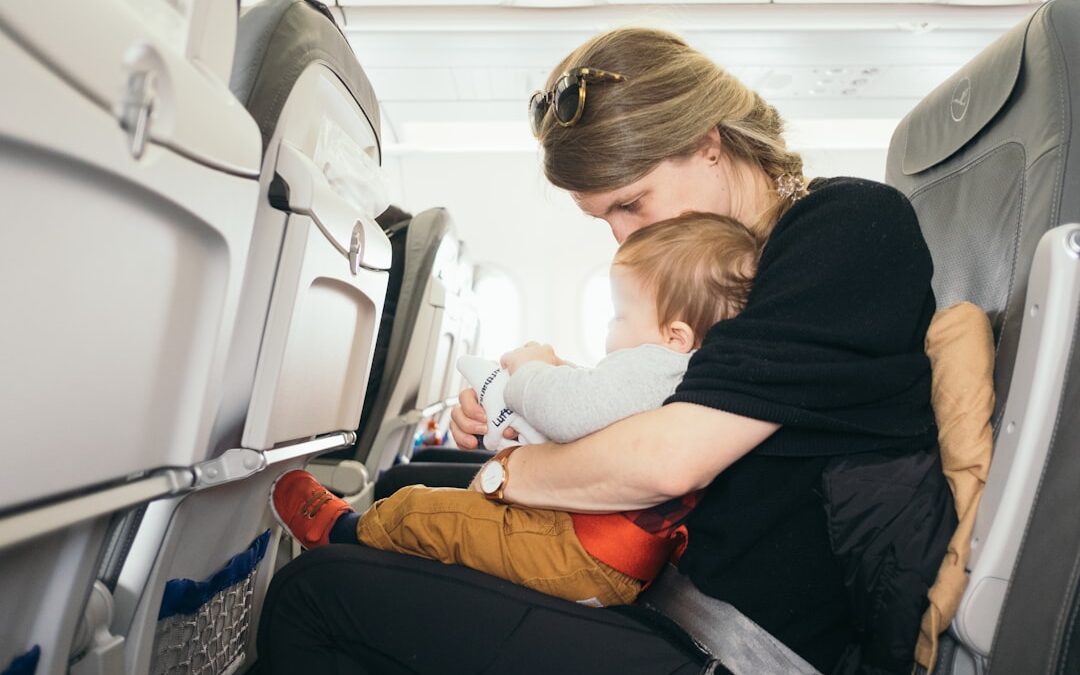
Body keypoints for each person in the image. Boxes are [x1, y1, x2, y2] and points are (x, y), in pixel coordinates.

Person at [256, 27, 955, 675]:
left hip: (731, 645)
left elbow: (666, 459)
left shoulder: (847, 230)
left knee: (313, 596)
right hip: (657, 593)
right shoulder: (722, 265)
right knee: (409, 496)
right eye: (604, 218)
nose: (622, 237)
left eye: (631, 203)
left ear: (709, 143)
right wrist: (523, 405)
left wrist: (510, 472)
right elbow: (662, 398)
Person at [270, 213, 761, 608]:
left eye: (619, 316)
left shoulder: (658, 364)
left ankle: (342, 534)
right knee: (459, 517)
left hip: (581, 551)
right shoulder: (684, 371)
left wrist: (530, 370)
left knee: (423, 509)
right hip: (601, 553)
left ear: (675, 334)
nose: (611, 330)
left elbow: (571, 411)